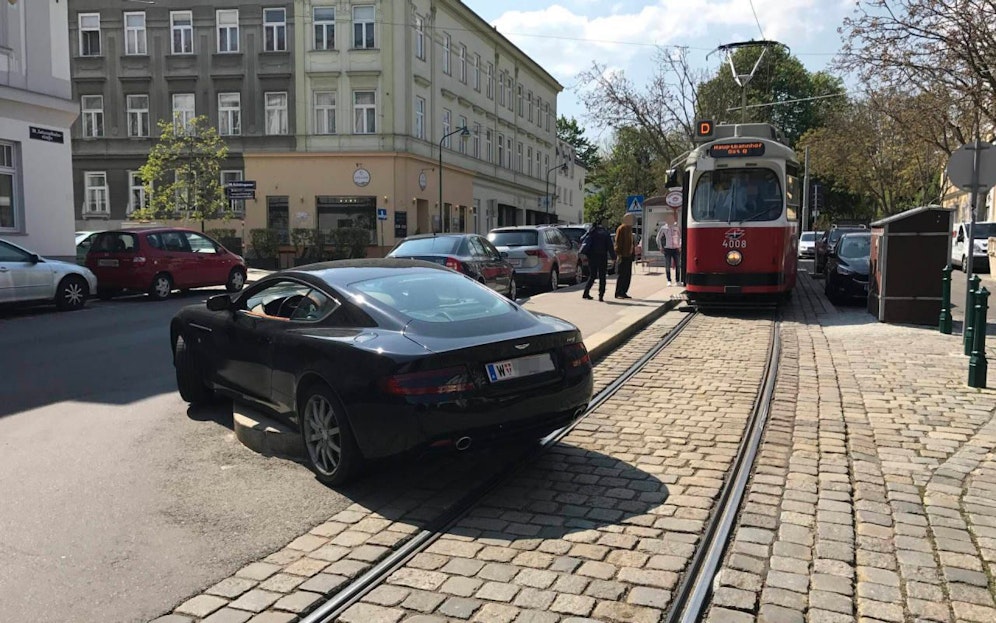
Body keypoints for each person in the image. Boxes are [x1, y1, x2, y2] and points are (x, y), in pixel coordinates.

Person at [580, 220, 614, 301]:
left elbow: (582, 239)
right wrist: (613, 257)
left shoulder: (591, 231)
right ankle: (601, 295)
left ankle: (586, 292)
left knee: (592, 275)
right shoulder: (605, 233)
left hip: (591, 257)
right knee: (602, 276)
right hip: (602, 257)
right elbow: (610, 246)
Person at [614, 213, 635, 299]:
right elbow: (618, 242)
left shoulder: (629, 229)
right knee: (622, 274)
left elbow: (631, 243)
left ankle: (624, 291)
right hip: (623, 255)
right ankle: (618, 292)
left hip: (629, 255)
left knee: (627, 275)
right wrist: (619, 254)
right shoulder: (621, 228)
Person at [658, 219, 682, 286]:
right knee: (668, 265)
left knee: (678, 265)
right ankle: (669, 280)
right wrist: (660, 247)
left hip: (676, 249)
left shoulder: (676, 227)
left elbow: (680, 237)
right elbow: (658, 237)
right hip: (667, 249)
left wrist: (680, 245)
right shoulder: (663, 228)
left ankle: (677, 281)